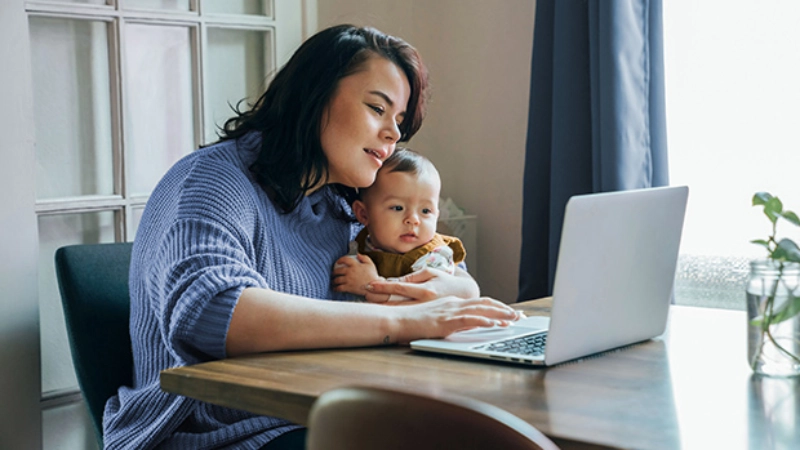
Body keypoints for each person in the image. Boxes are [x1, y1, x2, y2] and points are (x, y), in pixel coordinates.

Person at [103, 24, 521, 450]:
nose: (394, 134)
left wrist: (456, 288)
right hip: (218, 434)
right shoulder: (214, 179)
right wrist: (403, 319)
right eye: (378, 109)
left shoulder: (344, 206)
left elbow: (446, 273)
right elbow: (213, 311)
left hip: (322, 414)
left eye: (399, 121)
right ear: (314, 96)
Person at [332, 148, 467, 302]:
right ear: (363, 214)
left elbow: (424, 300)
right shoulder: (359, 246)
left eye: (425, 210)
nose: (413, 220)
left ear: (436, 215)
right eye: (398, 208)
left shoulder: (433, 257)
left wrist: (370, 286)